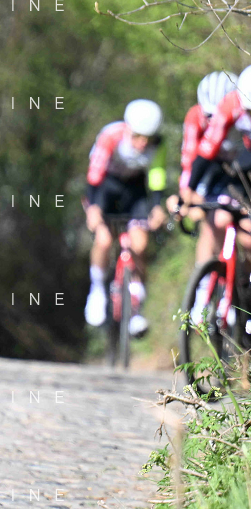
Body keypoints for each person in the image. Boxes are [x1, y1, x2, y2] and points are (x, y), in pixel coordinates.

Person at [84, 99, 168, 335]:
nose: (143, 143)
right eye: (138, 136)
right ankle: (97, 289)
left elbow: (157, 176)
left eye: (148, 138)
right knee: (103, 240)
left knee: (139, 244)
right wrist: (93, 209)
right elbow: (94, 175)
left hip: (135, 190)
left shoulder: (158, 144)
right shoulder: (111, 136)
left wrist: (157, 206)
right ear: (128, 128)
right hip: (105, 187)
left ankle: (136, 307)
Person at [174, 71, 238, 320]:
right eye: (209, 116)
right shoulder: (195, 116)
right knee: (211, 220)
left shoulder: (241, 115)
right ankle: (203, 291)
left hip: (237, 170)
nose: (214, 122)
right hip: (211, 170)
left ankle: (239, 285)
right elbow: (191, 159)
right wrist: (185, 196)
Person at [186, 66, 251, 303]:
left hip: (243, 167)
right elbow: (203, 153)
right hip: (222, 171)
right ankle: (204, 291)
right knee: (217, 220)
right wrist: (188, 192)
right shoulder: (229, 106)